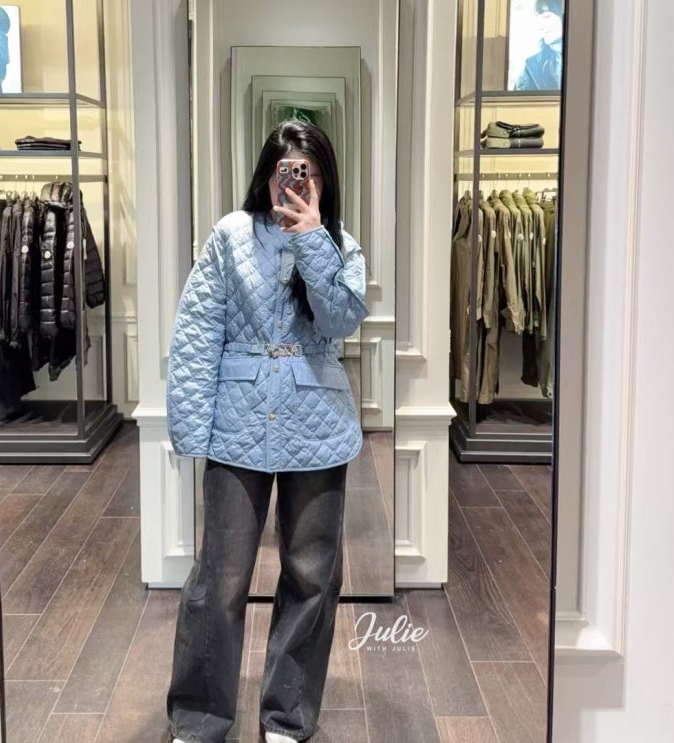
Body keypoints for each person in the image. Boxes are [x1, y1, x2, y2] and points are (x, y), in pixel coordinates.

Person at [165, 120, 369, 743]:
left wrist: (313, 243)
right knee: (220, 578)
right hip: (238, 420)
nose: (298, 185)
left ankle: (286, 717)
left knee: (312, 575)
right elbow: (198, 332)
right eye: (288, 173)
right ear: (267, 176)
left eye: (310, 174)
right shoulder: (231, 235)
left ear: (326, 180)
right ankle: (199, 720)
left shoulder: (341, 246)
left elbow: (341, 321)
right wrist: (189, 427)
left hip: (317, 424)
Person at [514, 0, 563, 91]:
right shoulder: (532, 67)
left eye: (547, 17)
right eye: (538, 19)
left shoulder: (588, 59)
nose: (540, 26)